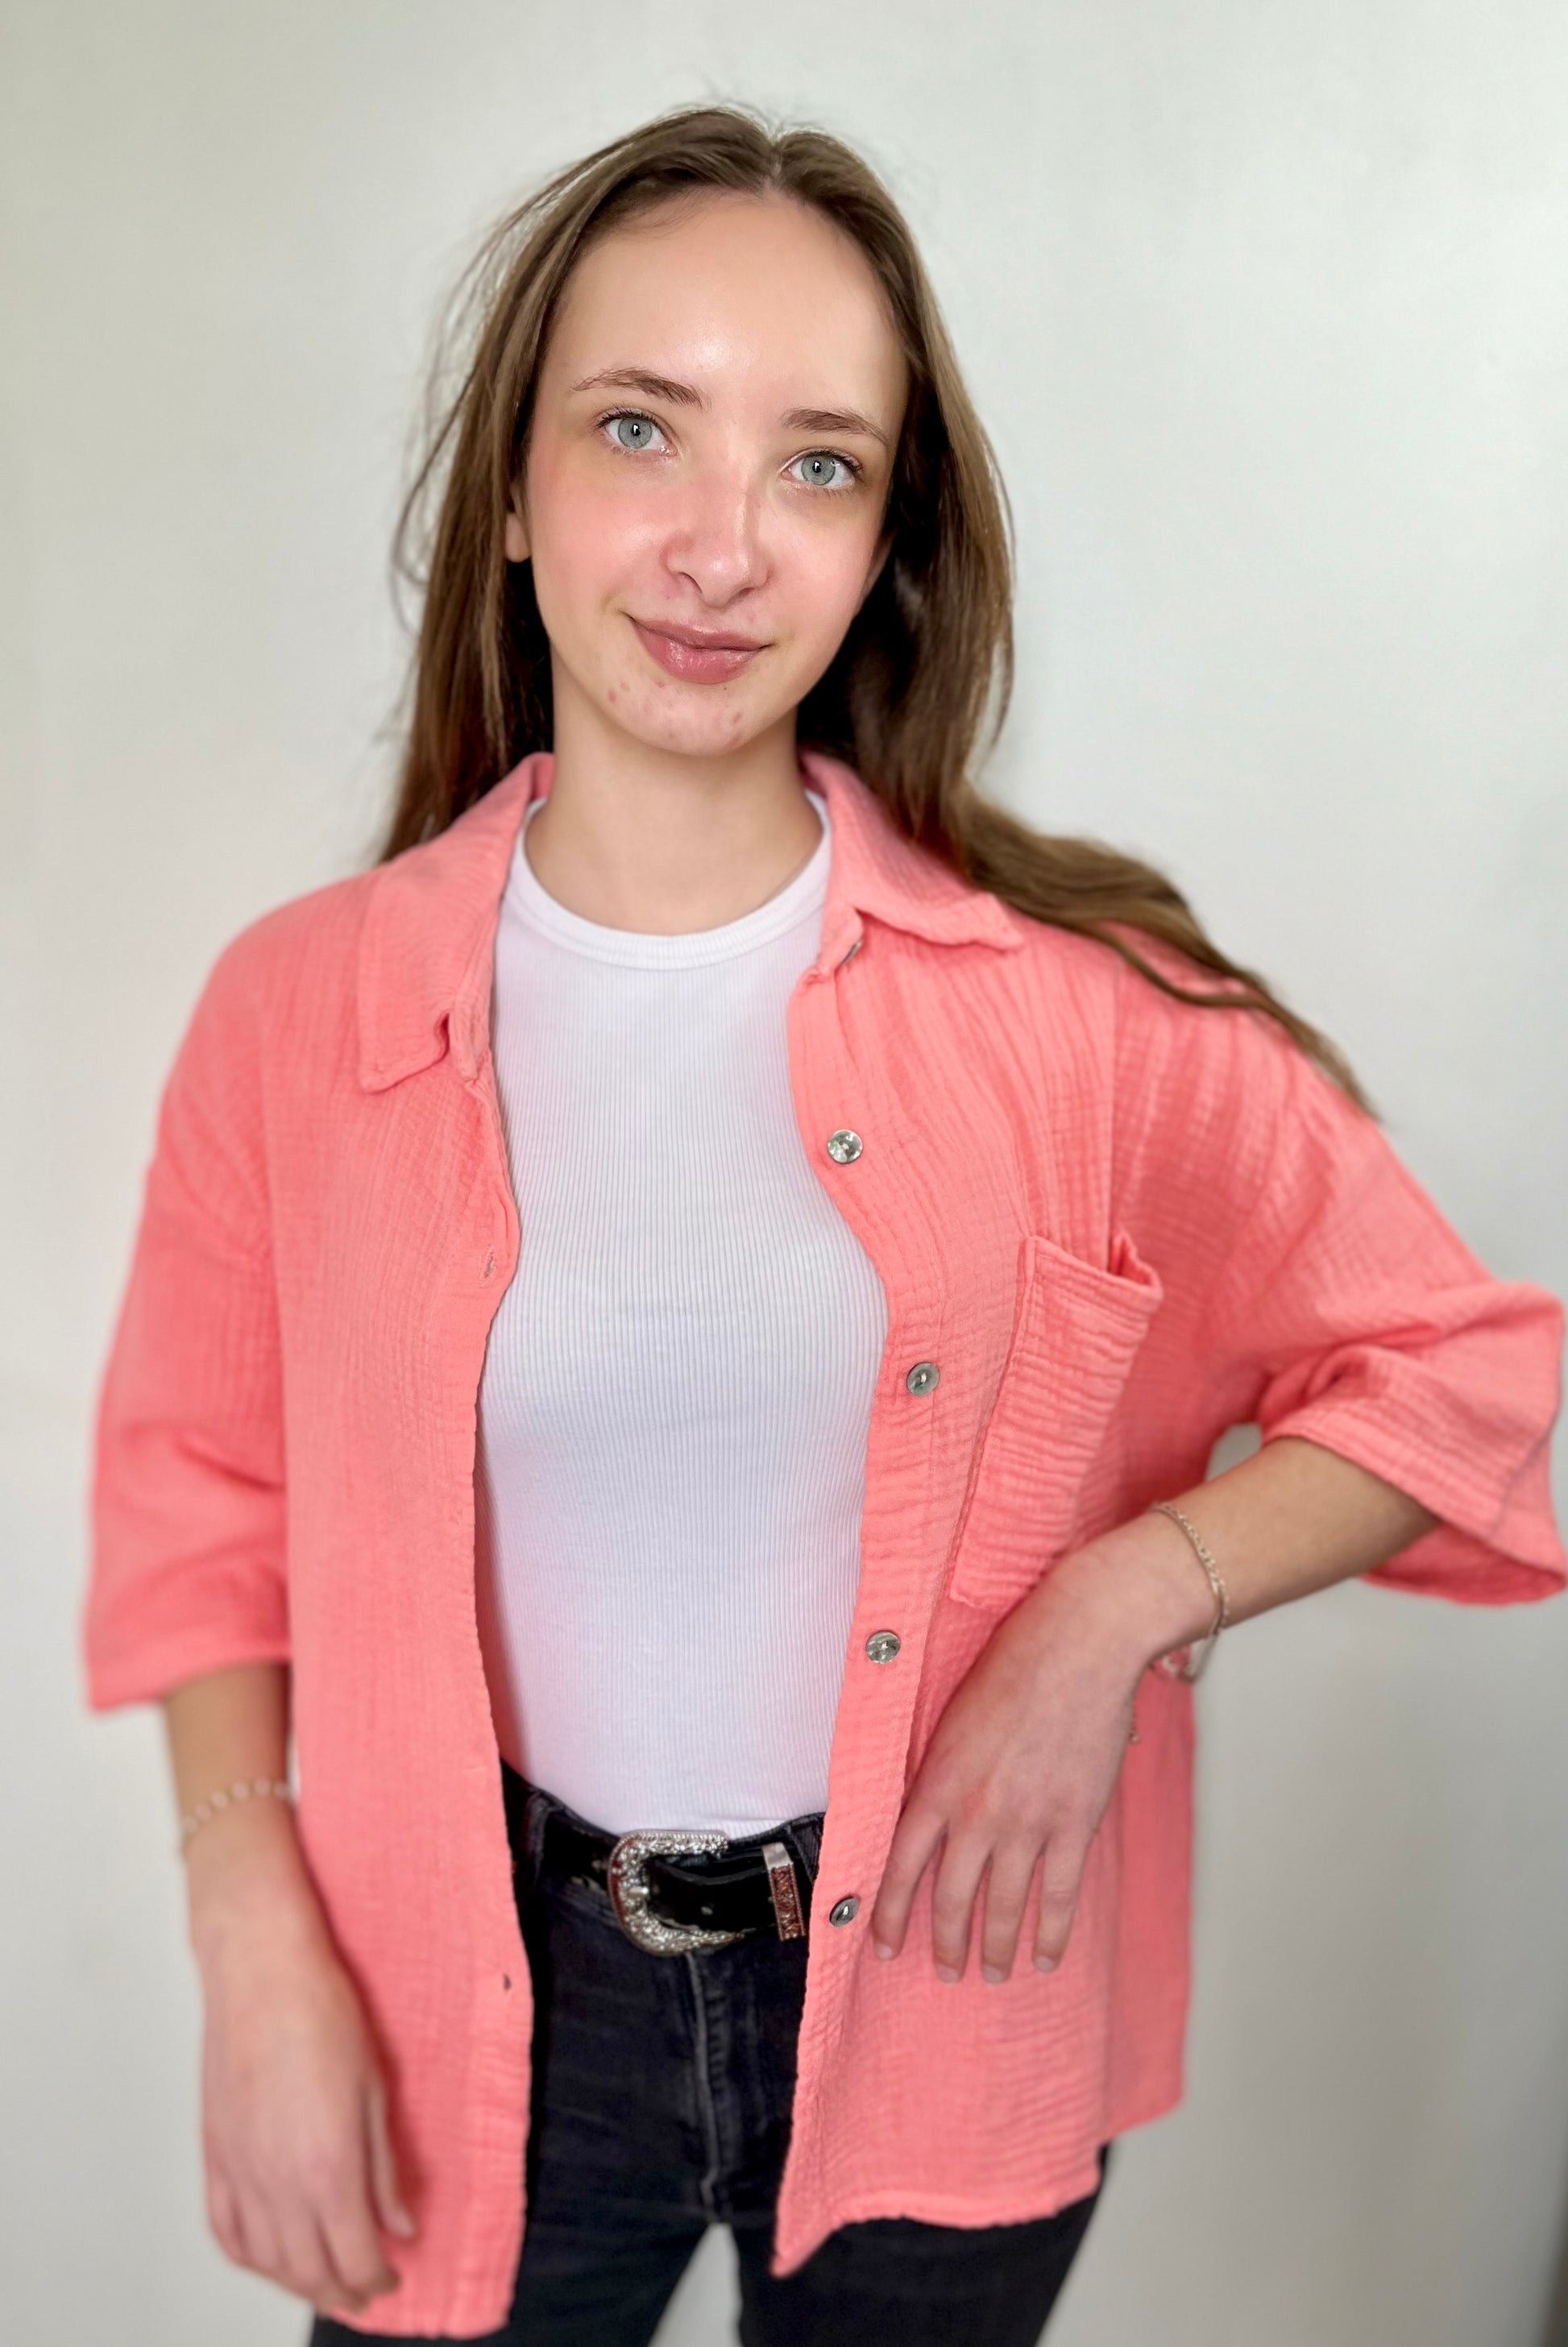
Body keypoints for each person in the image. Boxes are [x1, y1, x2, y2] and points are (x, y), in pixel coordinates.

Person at [83, 103, 1566, 2347]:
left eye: (816, 464)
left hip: (956, 1986)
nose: (718, 547)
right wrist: (251, 1926)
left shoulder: (1081, 1015)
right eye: (638, 429)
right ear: (513, 489)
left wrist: (1114, 1606)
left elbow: (1468, 1368)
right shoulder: (302, 1013)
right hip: (477, 1996)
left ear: (887, 543)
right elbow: (201, 1491)